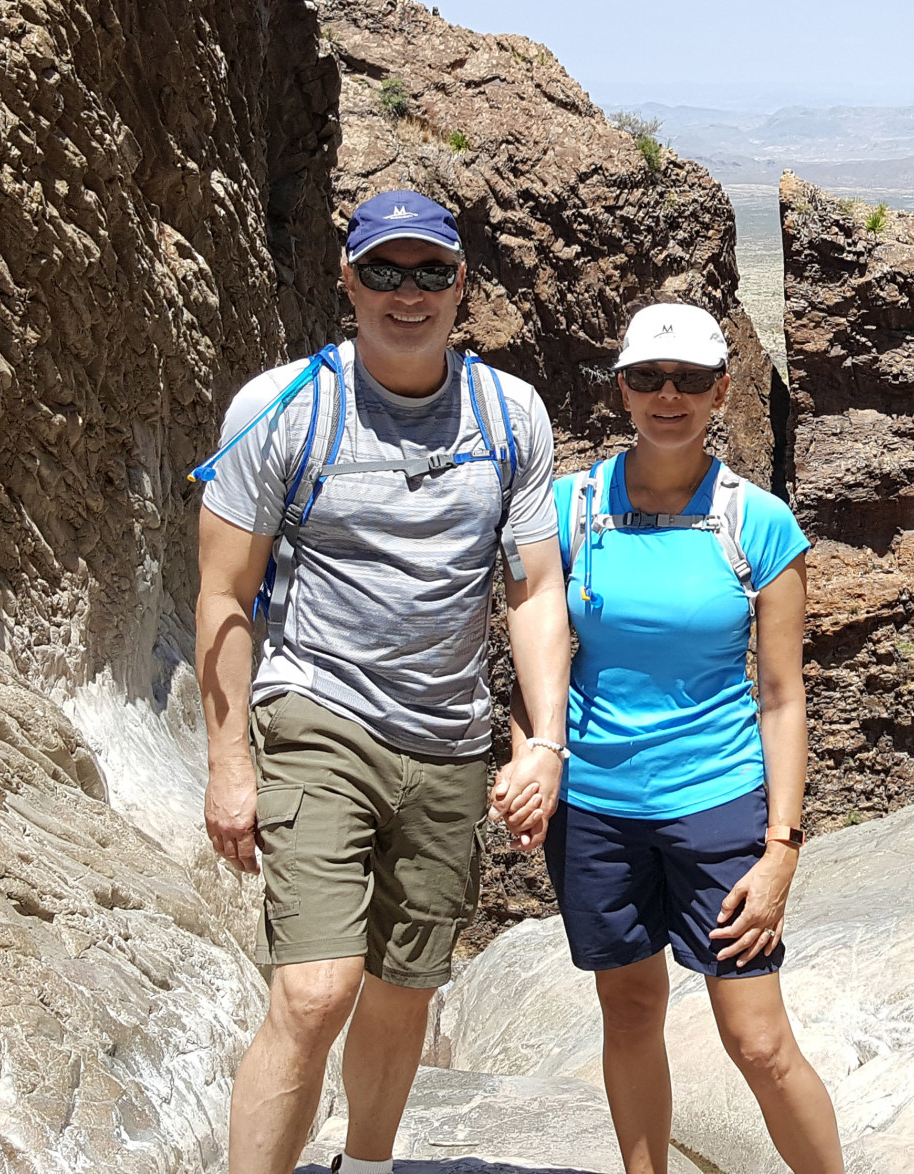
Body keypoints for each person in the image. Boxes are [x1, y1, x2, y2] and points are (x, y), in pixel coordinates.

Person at [195, 190, 570, 1174]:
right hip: (320, 712)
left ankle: (363, 1165)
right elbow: (225, 594)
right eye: (387, 272)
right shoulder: (285, 409)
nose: (410, 294)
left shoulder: (508, 414)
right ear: (349, 280)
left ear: (461, 286)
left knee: (406, 988)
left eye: (432, 272)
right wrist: (229, 764)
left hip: (448, 736)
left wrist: (546, 741)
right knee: (316, 991)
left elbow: (534, 591)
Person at [537, 302, 845, 1174]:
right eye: (647, 379)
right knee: (630, 1015)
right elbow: (534, 653)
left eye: (690, 380)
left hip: (717, 806)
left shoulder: (759, 525)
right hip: (595, 807)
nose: (667, 396)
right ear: (622, 389)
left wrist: (782, 848)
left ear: (721, 391)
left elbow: (783, 695)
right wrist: (536, 752)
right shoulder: (568, 511)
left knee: (756, 1038)